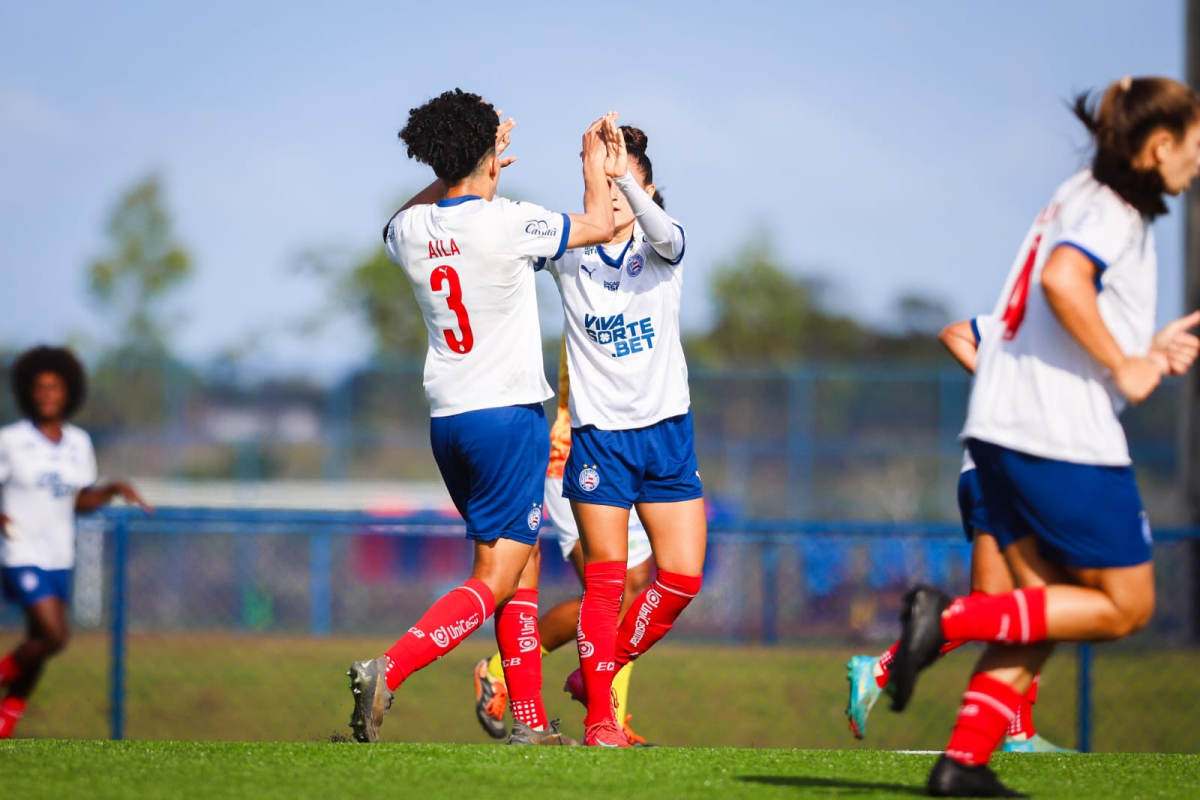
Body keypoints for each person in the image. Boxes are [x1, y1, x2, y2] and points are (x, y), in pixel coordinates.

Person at [889, 77, 1200, 797]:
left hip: (1001, 423)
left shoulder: (1077, 192)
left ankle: (962, 765)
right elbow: (1065, 281)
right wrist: (1128, 365)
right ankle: (947, 619)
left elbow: (1058, 302)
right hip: (1059, 432)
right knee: (1127, 605)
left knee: (1043, 611)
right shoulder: (1117, 209)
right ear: (1159, 147)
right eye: (1193, 145)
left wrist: (1145, 351)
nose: (1197, 162)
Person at [346, 89, 622, 746]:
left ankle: (526, 720)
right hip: (509, 417)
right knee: (494, 576)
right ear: (490, 161)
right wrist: (596, 164)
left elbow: (400, 217)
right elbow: (601, 224)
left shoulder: (414, 231)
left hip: (450, 420)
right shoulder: (508, 221)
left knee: (515, 563)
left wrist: (463, 162)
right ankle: (389, 668)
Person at [540, 122, 705, 747]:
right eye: (602, 180)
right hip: (600, 442)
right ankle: (599, 719)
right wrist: (593, 183)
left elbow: (660, 229)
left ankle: (596, 673)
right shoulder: (567, 252)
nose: (612, 191)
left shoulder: (664, 248)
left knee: (681, 578)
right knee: (606, 584)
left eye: (625, 180)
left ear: (646, 186)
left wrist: (623, 184)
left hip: (666, 436)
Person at [844, 315, 1071, 752]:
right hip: (1006, 473)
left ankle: (1017, 731)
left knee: (1017, 605)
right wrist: (1006, 386)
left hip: (1002, 473)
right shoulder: (1040, 321)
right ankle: (882, 670)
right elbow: (954, 332)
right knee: (1017, 605)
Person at [471, 341, 655, 745]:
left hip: (633, 451)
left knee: (636, 586)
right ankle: (499, 672)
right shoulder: (592, 292)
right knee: (611, 592)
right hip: (578, 453)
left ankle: (613, 717)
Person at [0, 346, 150, 739]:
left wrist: (112, 489)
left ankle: (7, 720)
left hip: (58, 554)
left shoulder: (78, 444)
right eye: (40, 387)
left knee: (38, 644)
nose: (48, 394)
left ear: (69, 393)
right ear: (27, 392)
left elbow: (79, 501)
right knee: (55, 636)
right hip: (21, 551)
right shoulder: (11, 441)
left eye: (56, 387)